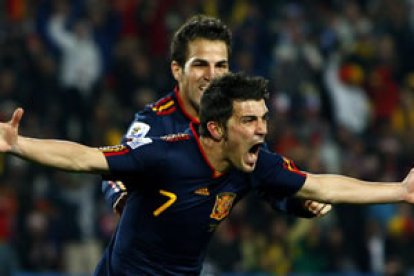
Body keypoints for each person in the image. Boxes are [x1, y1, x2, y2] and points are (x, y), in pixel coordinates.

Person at [2, 72, 414, 275]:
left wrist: (399, 191)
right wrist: (19, 145)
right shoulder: (164, 157)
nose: (263, 130)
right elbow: (84, 158)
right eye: (250, 120)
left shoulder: (257, 163)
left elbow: (325, 184)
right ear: (216, 128)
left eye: (264, 119)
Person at [101, 14, 330, 218]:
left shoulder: (238, 121)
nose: (212, 76)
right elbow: (115, 171)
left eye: (220, 66)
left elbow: (268, 181)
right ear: (177, 70)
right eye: (201, 65)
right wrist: (121, 197)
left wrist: (299, 204)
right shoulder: (155, 121)